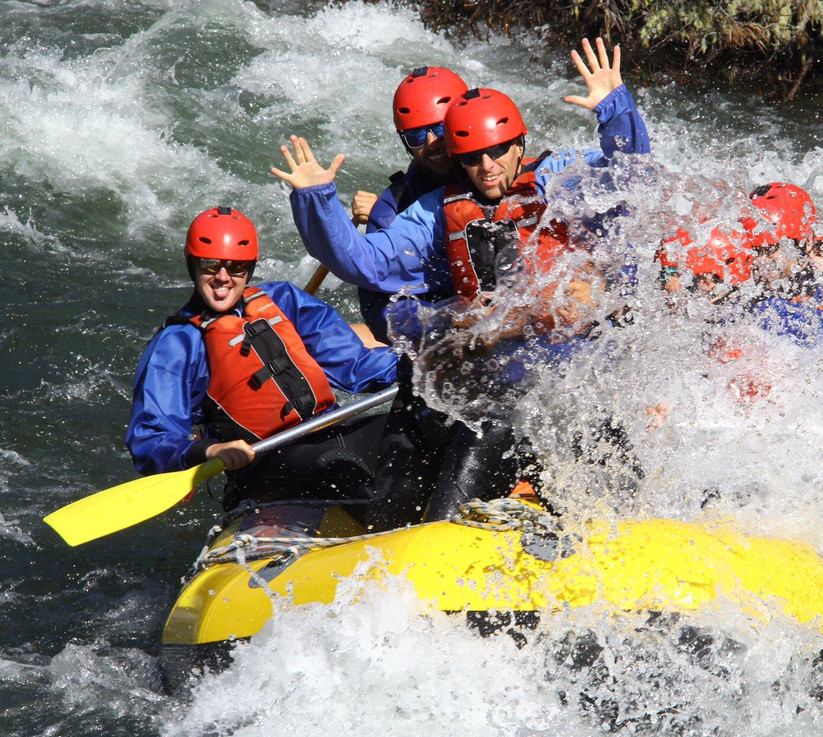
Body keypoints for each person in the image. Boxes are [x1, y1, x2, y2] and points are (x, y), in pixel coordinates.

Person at [272, 37, 650, 517]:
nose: (485, 167)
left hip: (563, 371)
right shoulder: (431, 210)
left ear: (519, 144)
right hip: (480, 368)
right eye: (471, 156)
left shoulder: (557, 177)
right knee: (411, 461)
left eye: (495, 152)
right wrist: (317, 200)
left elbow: (630, 179)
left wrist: (614, 110)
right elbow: (364, 264)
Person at [126, 206, 418, 521]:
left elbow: (357, 365)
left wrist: (424, 367)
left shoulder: (284, 300)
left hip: (327, 434)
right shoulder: (178, 343)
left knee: (419, 420)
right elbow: (150, 438)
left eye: (236, 267)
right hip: (260, 465)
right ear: (192, 265)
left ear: (250, 268)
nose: (223, 278)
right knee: (338, 461)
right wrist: (209, 451)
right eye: (211, 266)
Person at [349, 66, 469, 341]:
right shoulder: (392, 208)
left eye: (439, 129)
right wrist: (444, 321)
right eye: (416, 135)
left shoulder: (495, 168)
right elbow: (378, 310)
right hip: (446, 336)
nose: (431, 143)